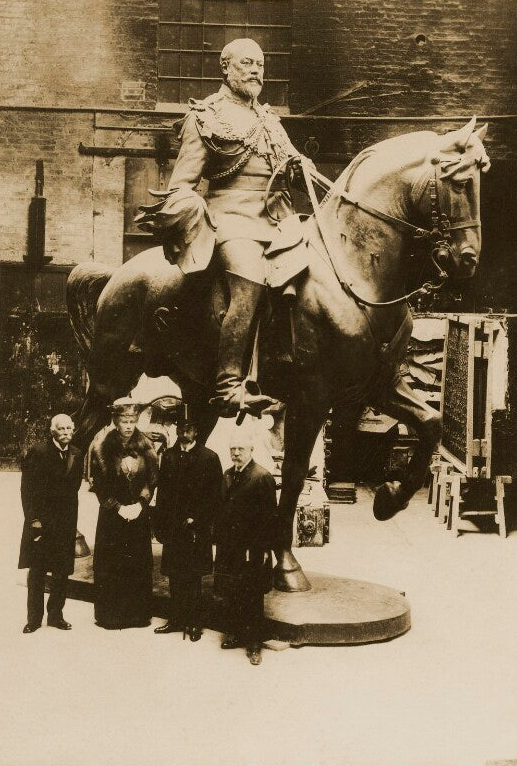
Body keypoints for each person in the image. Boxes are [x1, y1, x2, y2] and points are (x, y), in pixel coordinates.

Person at [136, 37, 306, 418]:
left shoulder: (271, 121)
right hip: (230, 218)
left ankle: (284, 368)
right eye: (246, 63)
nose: (255, 70)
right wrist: (192, 207)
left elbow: (292, 167)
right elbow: (182, 183)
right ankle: (228, 384)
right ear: (225, 67)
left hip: (277, 218)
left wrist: (299, 168)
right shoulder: (205, 116)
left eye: (260, 64)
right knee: (250, 276)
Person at [153, 408, 222, 641]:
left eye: (189, 429)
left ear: (196, 432)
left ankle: (194, 623)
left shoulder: (209, 458)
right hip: (173, 527)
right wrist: (160, 523)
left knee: (193, 577)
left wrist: (198, 519)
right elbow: (161, 492)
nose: (184, 433)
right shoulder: (169, 456)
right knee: (174, 575)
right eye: (181, 429)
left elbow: (214, 496)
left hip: (195, 529)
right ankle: (176, 619)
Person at [90, 398, 158, 630]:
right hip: (112, 516)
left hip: (138, 515)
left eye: (132, 421)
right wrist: (118, 507)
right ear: (116, 421)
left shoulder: (146, 444)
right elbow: (98, 483)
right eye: (124, 421)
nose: (128, 426)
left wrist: (140, 504)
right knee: (112, 564)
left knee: (137, 563)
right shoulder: (102, 444)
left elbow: (151, 480)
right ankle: (111, 616)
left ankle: (137, 615)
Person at [214, 427, 277, 665]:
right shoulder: (228, 475)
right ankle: (238, 635)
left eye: (241, 449)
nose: (236, 453)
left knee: (252, 596)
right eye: (233, 449)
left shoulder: (262, 477)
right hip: (231, 547)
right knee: (234, 591)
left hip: (253, 548)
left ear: (252, 450)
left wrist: (260, 551)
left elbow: (269, 519)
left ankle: (254, 644)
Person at [19, 414, 84, 633]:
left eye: (69, 428)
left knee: (61, 571)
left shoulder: (77, 454)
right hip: (42, 523)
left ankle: (56, 616)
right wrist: (34, 520)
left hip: (65, 523)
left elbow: (73, 490)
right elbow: (27, 490)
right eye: (61, 429)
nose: (66, 432)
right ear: (52, 431)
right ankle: (34, 619)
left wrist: (70, 522)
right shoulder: (38, 452)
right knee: (37, 571)